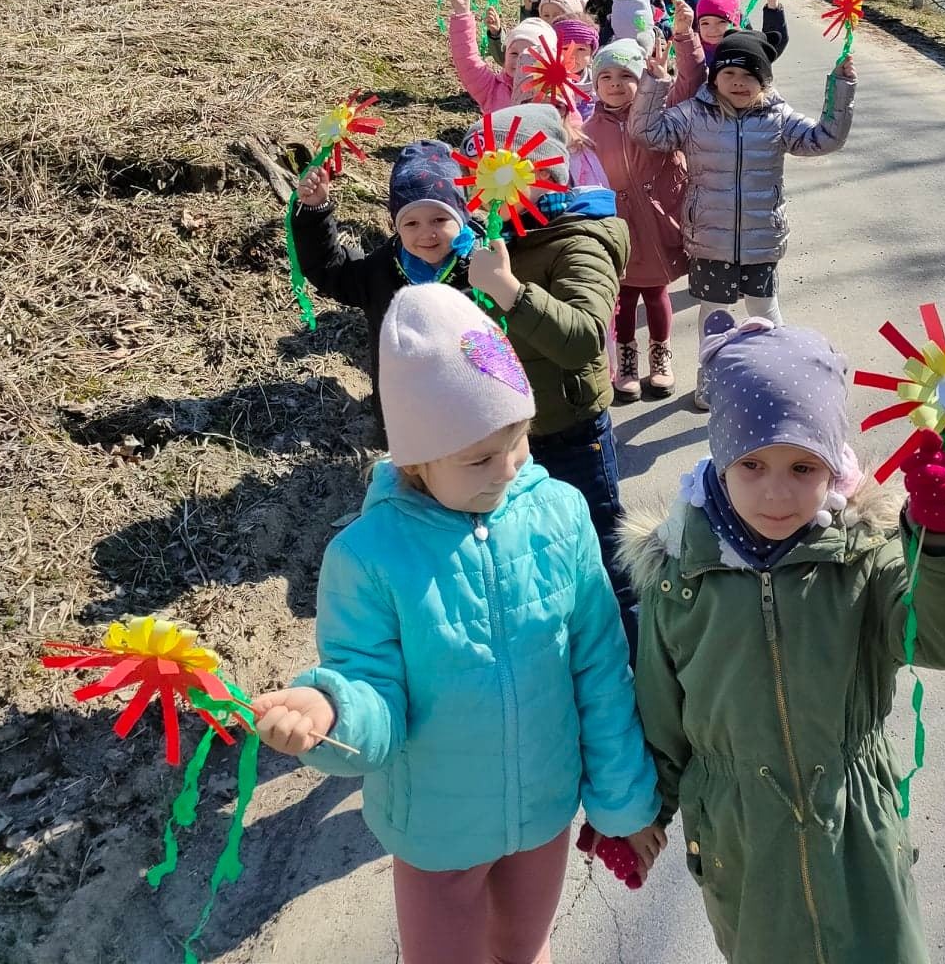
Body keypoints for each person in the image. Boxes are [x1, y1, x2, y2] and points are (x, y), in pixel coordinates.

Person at [253, 283, 664, 964]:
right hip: (437, 831)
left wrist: (624, 805)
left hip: (544, 812)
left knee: (526, 951)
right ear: (416, 458)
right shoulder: (369, 556)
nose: (506, 469)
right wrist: (327, 710)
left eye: (518, 440)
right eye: (478, 457)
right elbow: (372, 689)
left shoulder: (559, 513)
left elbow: (598, 663)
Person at [621, 314, 945, 964]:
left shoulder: (863, 557)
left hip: (857, 826)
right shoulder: (680, 576)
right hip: (741, 842)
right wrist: (641, 815)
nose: (776, 492)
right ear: (720, 457)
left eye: (803, 466)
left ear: (834, 461)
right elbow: (660, 714)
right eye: (752, 464)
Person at [463, 104, 640, 651]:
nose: (483, 196)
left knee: (605, 559)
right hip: (507, 435)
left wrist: (510, 293)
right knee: (531, 556)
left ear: (541, 177)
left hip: (569, 430)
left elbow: (585, 336)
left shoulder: (582, 239)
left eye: (498, 179)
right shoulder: (495, 240)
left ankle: (645, 679)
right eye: (477, 180)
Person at [629, 28, 855, 409]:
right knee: (714, 314)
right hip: (709, 238)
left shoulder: (778, 119)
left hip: (761, 238)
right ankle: (711, 377)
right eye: (729, 74)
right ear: (714, 77)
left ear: (764, 82)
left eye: (749, 76)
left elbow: (826, 138)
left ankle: (778, 374)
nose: (738, 82)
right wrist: (655, 81)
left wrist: (842, 86)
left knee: (765, 311)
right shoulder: (692, 115)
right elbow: (646, 132)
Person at [291, 141, 477, 446]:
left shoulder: (485, 267)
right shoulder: (383, 269)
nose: (425, 234)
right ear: (395, 224)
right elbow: (330, 269)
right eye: (411, 223)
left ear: (462, 216)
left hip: (473, 420)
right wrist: (315, 210)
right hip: (402, 422)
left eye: (440, 220)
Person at [586, 15, 699, 401]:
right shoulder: (586, 129)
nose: (616, 85)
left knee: (655, 293)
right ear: (596, 83)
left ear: (641, 81)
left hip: (657, 222)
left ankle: (661, 356)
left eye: (625, 76)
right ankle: (627, 361)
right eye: (606, 78)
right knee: (621, 299)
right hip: (616, 227)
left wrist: (684, 39)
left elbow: (689, 84)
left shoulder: (660, 114)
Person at [448, 0, 556, 113]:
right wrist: (462, 13)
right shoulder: (492, 89)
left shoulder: (553, 98)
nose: (518, 60)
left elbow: (573, 125)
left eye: (529, 55)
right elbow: (467, 59)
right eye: (514, 53)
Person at [693, 0, 790, 64]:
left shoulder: (746, 48)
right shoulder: (692, 51)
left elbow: (772, 46)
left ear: (735, 24)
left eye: (722, 22)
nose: (712, 29)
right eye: (705, 23)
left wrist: (773, 5)